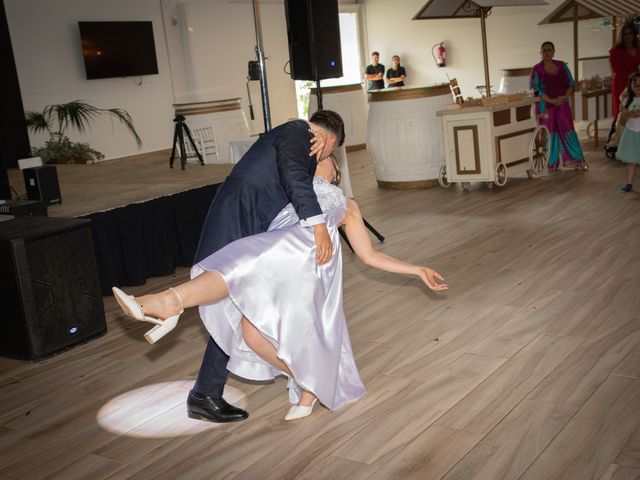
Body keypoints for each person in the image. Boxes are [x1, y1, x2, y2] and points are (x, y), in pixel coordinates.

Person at [113, 156, 447, 421]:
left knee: (237, 264)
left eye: (328, 156)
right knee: (250, 332)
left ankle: (170, 302)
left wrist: (416, 269)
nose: (319, 156)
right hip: (277, 256)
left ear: (334, 175)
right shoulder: (291, 190)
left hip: (304, 255)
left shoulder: (346, 203)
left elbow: (369, 254)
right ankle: (309, 382)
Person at [177, 111, 344, 423]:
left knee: (236, 303)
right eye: (329, 154)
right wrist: (318, 225)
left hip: (256, 227)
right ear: (330, 140)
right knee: (224, 295)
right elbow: (293, 174)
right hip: (239, 216)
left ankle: (205, 392)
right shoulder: (298, 131)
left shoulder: (302, 140)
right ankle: (169, 308)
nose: (321, 157)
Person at [530, 41, 585, 171]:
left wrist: (564, 97)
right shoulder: (537, 69)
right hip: (546, 107)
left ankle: (575, 159)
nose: (547, 53)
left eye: (549, 50)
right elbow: (536, 90)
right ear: (541, 53)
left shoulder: (561, 66)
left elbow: (571, 84)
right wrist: (551, 101)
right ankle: (551, 163)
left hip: (562, 104)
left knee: (568, 131)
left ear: (554, 51)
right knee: (549, 134)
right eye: (544, 50)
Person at [609, 22, 640, 119]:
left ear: (634, 34)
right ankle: (620, 132)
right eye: (625, 34)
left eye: (630, 33)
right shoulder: (615, 51)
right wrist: (634, 78)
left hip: (637, 82)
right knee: (623, 109)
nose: (628, 36)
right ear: (622, 36)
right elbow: (617, 70)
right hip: (622, 82)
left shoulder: (638, 48)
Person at [617, 72, 640, 192]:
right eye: (634, 83)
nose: (637, 85)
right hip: (631, 133)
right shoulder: (626, 101)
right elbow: (622, 122)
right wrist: (628, 114)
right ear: (630, 86)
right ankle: (629, 183)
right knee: (631, 160)